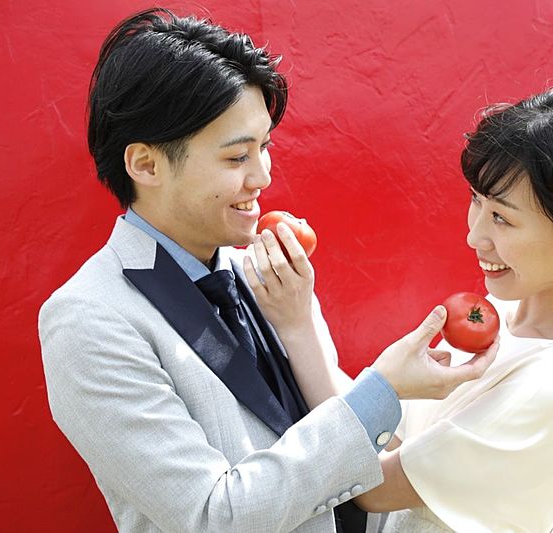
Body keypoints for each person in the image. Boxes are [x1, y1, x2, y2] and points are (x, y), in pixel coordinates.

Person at [38, 8, 496, 533]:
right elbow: (212, 516)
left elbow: (333, 439)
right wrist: (382, 391)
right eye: (237, 158)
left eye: (265, 148)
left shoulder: (268, 268)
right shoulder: (89, 319)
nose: (262, 177)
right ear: (146, 164)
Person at [251, 86, 553, 532]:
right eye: (477, 200)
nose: (474, 236)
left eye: (502, 218)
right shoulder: (500, 315)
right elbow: (380, 441)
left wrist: (308, 328)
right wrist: (299, 322)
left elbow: (370, 486)